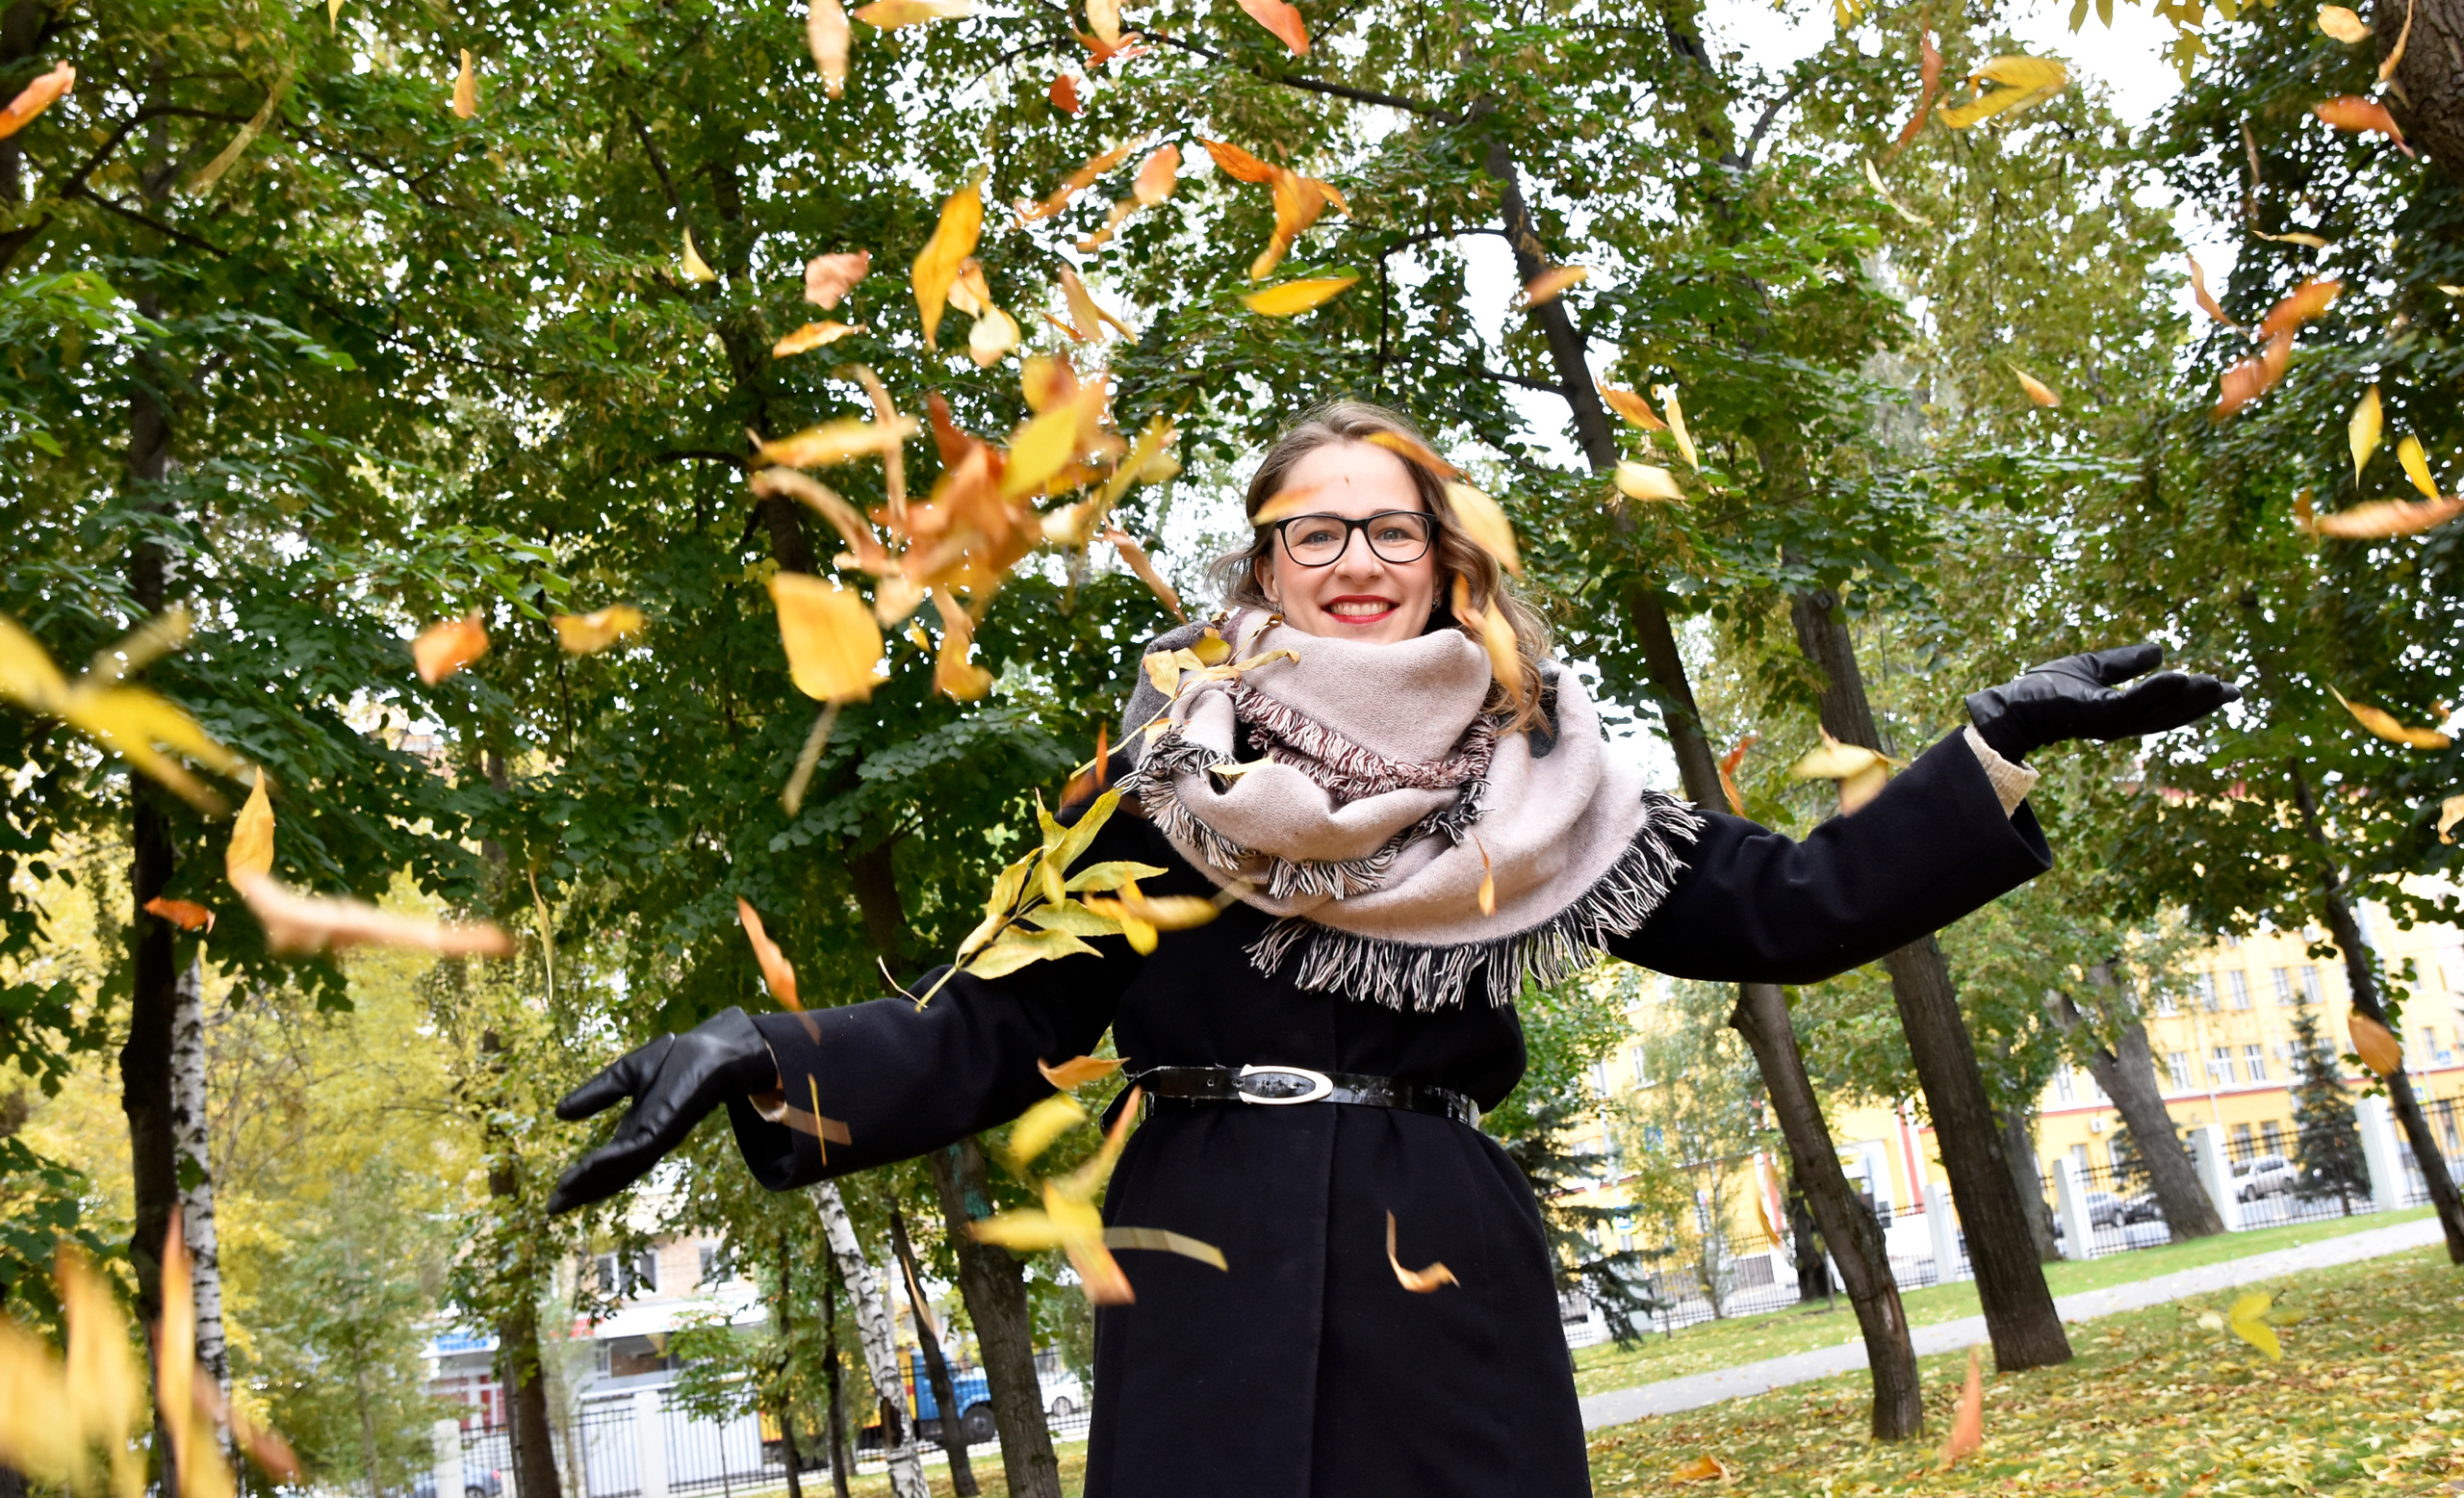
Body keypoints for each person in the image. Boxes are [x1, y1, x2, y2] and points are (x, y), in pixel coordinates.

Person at [546, 401, 2235, 1497]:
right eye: (1314, 532)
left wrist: (1992, 749)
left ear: (1447, 564)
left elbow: (1780, 910)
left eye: (1389, 530)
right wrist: (762, 1055)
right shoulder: (1169, 786)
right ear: (1264, 565)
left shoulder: (1546, 786)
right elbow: (993, 1028)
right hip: (1197, 1257)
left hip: (1446, 1272)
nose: (1355, 560)